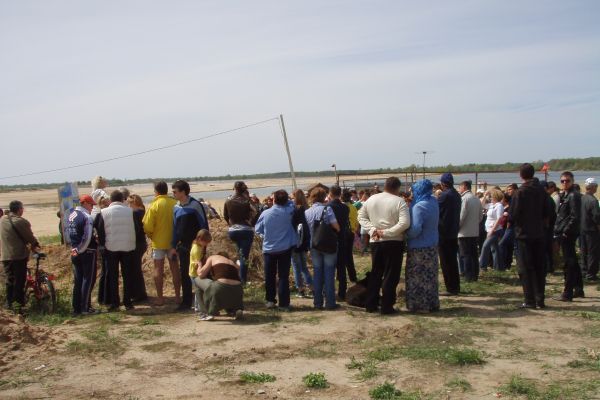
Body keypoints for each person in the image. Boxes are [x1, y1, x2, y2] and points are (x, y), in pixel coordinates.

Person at [357, 177, 410, 314]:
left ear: (385, 186)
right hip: (393, 241)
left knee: (376, 273)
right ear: (397, 188)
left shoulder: (371, 199)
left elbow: (360, 216)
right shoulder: (399, 201)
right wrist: (386, 232)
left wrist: (373, 230)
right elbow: (405, 223)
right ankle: (387, 305)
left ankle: (371, 304)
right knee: (391, 275)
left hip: (376, 241)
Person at [510, 164, 552, 309]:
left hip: (524, 235)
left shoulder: (520, 192)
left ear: (521, 175)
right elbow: (548, 212)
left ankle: (529, 300)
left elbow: (513, 214)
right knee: (539, 267)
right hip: (539, 233)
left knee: (526, 268)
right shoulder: (542, 191)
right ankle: (540, 299)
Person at [171, 180, 209, 311]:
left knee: (199, 273)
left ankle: (202, 301)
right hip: (182, 246)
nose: (173, 193)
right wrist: (173, 245)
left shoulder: (195, 205)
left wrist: (203, 245)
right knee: (185, 273)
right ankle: (186, 301)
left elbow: (204, 226)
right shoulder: (176, 207)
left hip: (196, 246)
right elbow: (175, 228)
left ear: (183, 192)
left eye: (175, 191)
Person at [255, 190, 297, 311]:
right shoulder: (289, 211)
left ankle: (270, 300)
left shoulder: (265, 213)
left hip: (269, 248)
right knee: (283, 276)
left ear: (273, 200)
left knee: (269, 276)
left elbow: (258, 229)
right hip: (285, 248)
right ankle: (284, 304)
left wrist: (266, 235)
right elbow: (292, 204)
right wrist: (286, 199)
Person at [96, 190, 136, 311]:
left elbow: (100, 230)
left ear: (111, 200)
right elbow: (137, 228)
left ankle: (114, 302)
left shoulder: (103, 212)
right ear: (122, 199)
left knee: (112, 276)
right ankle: (128, 301)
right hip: (128, 246)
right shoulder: (130, 211)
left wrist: (102, 245)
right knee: (127, 275)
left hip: (111, 247)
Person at [405, 179, 440, 313]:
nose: (412, 194)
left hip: (419, 246)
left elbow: (416, 229)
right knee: (430, 276)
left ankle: (419, 305)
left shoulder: (419, 206)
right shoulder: (433, 201)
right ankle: (431, 303)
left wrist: (405, 235)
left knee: (418, 277)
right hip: (432, 243)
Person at [142, 181, 179, 306]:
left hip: (158, 242)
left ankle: (160, 298)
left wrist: (151, 235)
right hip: (173, 242)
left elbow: (147, 226)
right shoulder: (175, 203)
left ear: (156, 191)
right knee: (175, 269)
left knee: (158, 268)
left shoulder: (154, 205)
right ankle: (178, 297)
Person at [0, 201, 40, 311]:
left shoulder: (3, 220)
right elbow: (30, 238)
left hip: (5, 257)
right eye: (22, 208)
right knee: (19, 282)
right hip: (18, 257)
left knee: (10, 281)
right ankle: (18, 308)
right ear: (19, 209)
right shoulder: (21, 222)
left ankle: (9, 305)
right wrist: (36, 245)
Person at [305, 187, 340, 310]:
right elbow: (336, 227)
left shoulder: (307, 212)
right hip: (328, 245)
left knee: (317, 274)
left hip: (314, 245)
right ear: (324, 196)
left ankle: (317, 302)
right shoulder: (327, 209)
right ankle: (330, 302)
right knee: (329, 273)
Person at [553, 171, 584, 301]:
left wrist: (565, 231)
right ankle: (578, 289)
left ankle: (568, 292)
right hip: (564, 231)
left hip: (568, 233)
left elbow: (574, 216)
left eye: (567, 181)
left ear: (572, 181)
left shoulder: (573, 196)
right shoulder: (566, 195)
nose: (564, 183)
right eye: (562, 181)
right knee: (572, 262)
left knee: (569, 262)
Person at [66, 195, 98, 316]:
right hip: (86, 251)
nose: (92, 207)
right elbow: (87, 236)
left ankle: (76, 308)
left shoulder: (71, 215)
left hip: (74, 250)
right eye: (91, 205)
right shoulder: (87, 217)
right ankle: (85, 307)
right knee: (87, 280)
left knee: (78, 280)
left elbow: (70, 234)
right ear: (84, 203)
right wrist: (81, 249)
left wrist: (75, 249)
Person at [223, 181, 256, 284]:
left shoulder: (228, 200)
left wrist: (230, 224)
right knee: (243, 257)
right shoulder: (246, 201)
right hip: (245, 230)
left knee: (240, 254)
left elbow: (225, 215)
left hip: (233, 230)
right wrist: (251, 222)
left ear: (234, 188)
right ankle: (242, 281)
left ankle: (238, 277)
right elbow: (255, 211)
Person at [194, 252, 244, 321]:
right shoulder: (232, 263)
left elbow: (201, 274)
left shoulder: (213, 257)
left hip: (221, 287)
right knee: (225, 289)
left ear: (218, 254)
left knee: (197, 280)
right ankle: (234, 310)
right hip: (238, 290)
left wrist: (199, 265)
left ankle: (205, 313)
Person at [437, 173, 461, 295]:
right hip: (453, 231)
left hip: (444, 233)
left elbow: (436, 210)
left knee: (446, 262)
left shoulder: (444, 196)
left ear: (443, 183)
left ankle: (450, 288)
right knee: (452, 261)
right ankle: (455, 286)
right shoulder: (457, 195)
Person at [327, 185, 351, 301]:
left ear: (330, 194)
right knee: (342, 268)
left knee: (329, 267)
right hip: (342, 238)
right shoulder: (345, 208)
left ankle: (330, 292)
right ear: (340, 194)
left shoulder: (327, 207)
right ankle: (342, 292)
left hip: (330, 239)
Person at [458, 180, 483, 282]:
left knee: (466, 254)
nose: (459, 189)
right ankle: (475, 275)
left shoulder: (464, 199)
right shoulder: (476, 199)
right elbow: (480, 217)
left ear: (464, 187)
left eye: (460, 187)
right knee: (473, 254)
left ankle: (468, 276)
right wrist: (474, 224)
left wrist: (457, 227)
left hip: (464, 232)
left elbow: (461, 215)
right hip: (474, 231)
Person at [291, 189, 313, 297]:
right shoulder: (307, 208)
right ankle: (311, 287)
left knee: (296, 267)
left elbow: (291, 225)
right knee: (304, 267)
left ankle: (300, 289)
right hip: (305, 241)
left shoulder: (294, 210)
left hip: (295, 241)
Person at [127, 194, 148, 302]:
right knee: (137, 268)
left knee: (135, 269)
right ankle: (140, 293)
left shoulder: (135, 213)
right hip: (142, 242)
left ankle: (138, 294)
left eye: (129, 203)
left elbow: (136, 229)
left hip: (136, 243)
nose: (128, 206)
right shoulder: (143, 211)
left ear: (134, 203)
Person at [479, 189, 505, 271]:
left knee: (485, 246)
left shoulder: (499, 206)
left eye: (491, 196)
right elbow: (481, 205)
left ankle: (482, 266)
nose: (490, 198)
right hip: (489, 229)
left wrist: (492, 230)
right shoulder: (491, 205)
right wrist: (485, 195)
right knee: (495, 248)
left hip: (496, 230)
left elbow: (499, 218)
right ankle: (499, 267)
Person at [580, 178, 600, 281]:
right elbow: (596, 217)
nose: (596, 188)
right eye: (596, 186)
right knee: (593, 252)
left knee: (584, 250)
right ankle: (591, 273)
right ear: (592, 187)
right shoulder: (593, 200)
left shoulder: (582, 198)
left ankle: (584, 270)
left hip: (582, 229)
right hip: (592, 230)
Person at [189, 229, 212, 313]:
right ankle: (199, 307)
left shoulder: (199, 247)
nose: (206, 244)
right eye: (205, 242)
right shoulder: (196, 250)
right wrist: (202, 267)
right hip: (195, 273)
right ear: (199, 239)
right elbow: (197, 264)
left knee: (198, 290)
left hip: (196, 272)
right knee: (198, 290)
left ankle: (197, 306)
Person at [342, 189, 358, 284]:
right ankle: (353, 276)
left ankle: (341, 276)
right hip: (351, 232)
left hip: (343, 233)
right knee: (349, 256)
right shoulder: (353, 207)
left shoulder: (342, 207)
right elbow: (356, 220)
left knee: (341, 256)